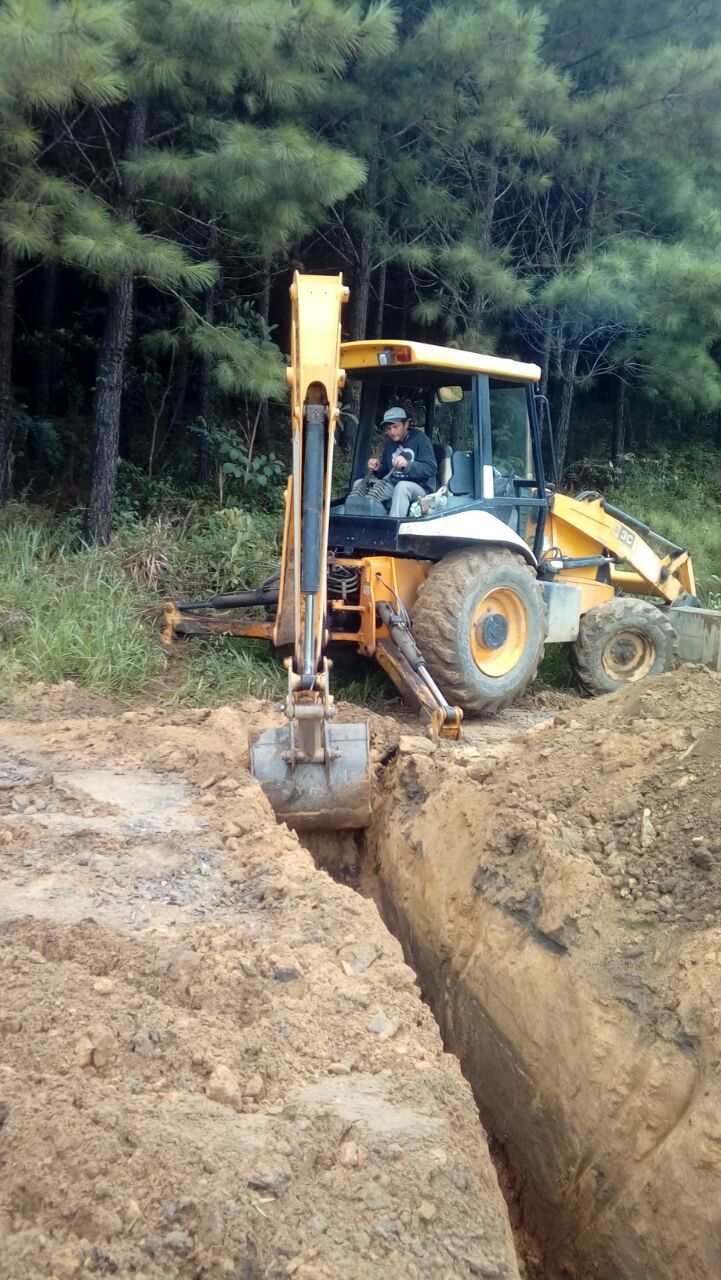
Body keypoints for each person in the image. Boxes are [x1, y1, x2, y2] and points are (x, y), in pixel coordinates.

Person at [350, 407, 437, 517]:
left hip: (422, 491)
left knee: (402, 486)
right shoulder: (390, 442)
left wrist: (407, 465)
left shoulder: (421, 439)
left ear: (406, 424)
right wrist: (378, 467)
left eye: (396, 427)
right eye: (389, 428)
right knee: (359, 484)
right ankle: (360, 526)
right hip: (393, 484)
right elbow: (386, 470)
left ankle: (392, 530)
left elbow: (431, 468)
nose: (392, 432)